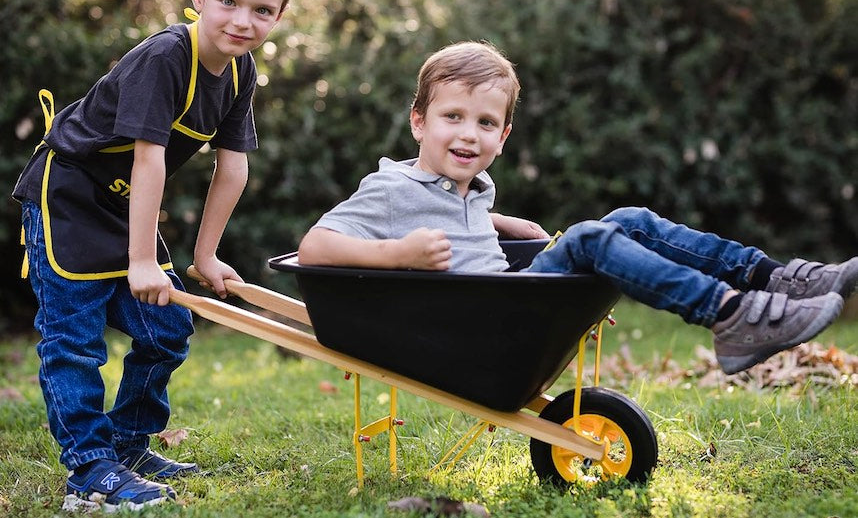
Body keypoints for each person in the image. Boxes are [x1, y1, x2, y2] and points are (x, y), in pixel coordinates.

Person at [298, 40, 858, 379]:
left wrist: (498, 220)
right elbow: (314, 247)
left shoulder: (466, 186)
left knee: (630, 220)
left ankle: (777, 279)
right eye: (452, 117)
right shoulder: (390, 188)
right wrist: (397, 254)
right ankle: (731, 315)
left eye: (486, 123)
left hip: (501, 311)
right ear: (418, 121)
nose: (469, 135)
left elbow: (445, 214)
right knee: (591, 238)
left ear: (505, 135)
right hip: (484, 331)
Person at [12, 0, 297, 513]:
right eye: (229, 2)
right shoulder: (167, 57)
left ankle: (129, 443)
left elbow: (234, 168)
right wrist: (141, 260)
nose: (243, 21)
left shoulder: (240, 71)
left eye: (262, 10)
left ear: (279, 15)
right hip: (67, 195)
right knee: (73, 341)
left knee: (165, 329)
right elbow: (149, 161)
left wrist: (204, 257)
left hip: (120, 203)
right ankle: (90, 471)